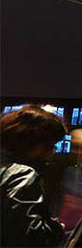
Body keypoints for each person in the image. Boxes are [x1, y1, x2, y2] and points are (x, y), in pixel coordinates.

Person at [0, 105, 66, 246]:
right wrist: (55, 229)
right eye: (50, 145)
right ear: (31, 141)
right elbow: (29, 237)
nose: (53, 152)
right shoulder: (21, 174)